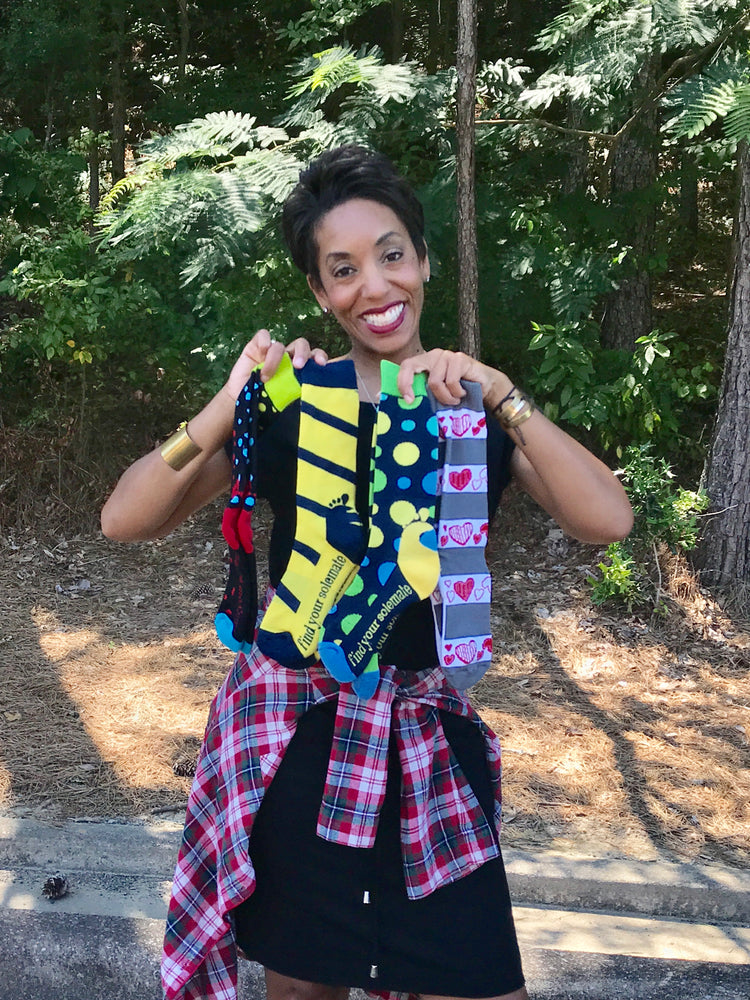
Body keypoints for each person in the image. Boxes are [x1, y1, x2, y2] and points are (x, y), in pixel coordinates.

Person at [101, 145, 633, 1000]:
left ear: (422, 260)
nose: (374, 287)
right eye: (342, 270)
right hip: (299, 740)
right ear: (320, 292)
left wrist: (503, 392)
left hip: (426, 742)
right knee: (307, 988)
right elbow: (124, 518)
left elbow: (606, 518)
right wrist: (231, 398)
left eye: (391, 255)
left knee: (474, 979)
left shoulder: (468, 409)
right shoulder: (290, 406)